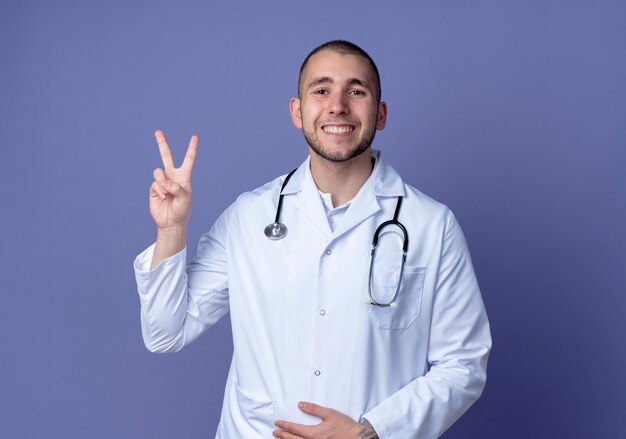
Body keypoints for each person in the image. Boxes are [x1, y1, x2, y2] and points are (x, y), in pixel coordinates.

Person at [134, 40, 491, 439]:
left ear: (381, 113)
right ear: (297, 111)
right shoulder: (249, 217)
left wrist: (372, 431)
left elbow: (464, 363)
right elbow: (165, 333)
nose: (338, 105)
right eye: (321, 90)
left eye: (356, 91)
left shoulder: (431, 225)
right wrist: (171, 230)